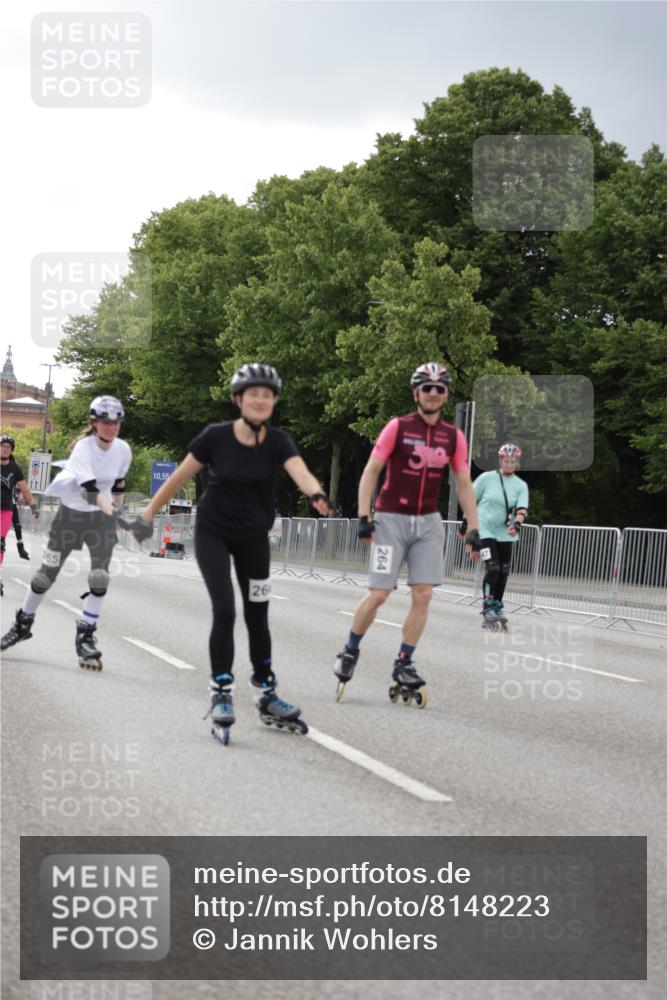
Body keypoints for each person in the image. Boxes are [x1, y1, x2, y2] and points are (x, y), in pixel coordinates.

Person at [129, 363, 333, 743]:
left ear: (273, 402)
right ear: (239, 399)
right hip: (214, 532)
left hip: (254, 536)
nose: (261, 400)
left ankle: (266, 691)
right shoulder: (216, 437)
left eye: (267, 395)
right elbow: (179, 478)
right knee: (224, 608)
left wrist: (316, 493)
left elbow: (299, 471)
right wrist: (147, 515)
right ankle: (222, 690)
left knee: (258, 613)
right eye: (254, 394)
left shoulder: (278, 441)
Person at [334, 362, 481, 704]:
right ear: (416, 393)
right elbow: (371, 471)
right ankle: (350, 650)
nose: (433, 393)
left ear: (445, 395)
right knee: (379, 594)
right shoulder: (397, 428)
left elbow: (463, 482)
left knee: (424, 594)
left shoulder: (452, 437)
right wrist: (363, 515)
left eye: (439, 388)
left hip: (427, 522)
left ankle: (404, 662)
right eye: (426, 388)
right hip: (390, 520)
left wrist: (474, 526)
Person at [1, 397, 131, 668]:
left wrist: (117, 512)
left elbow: (118, 484)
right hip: (71, 515)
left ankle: (86, 635)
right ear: (94, 423)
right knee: (44, 576)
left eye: (116, 421)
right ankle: (23, 623)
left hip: (100, 519)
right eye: (105, 421)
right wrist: (113, 511)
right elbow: (89, 490)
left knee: (99, 576)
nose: (111, 427)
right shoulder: (84, 448)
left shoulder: (123, 450)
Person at [462, 442, 529, 630]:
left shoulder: (520, 485)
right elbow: (470, 500)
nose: (509, 464)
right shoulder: (487, 478)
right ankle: (488, 607)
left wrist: (517, 523)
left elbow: (522, 508)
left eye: (512, 461)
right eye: (506, 460)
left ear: (516, 463)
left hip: (506, 533)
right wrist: (468, 532)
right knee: (493, 568)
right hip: (484, 530)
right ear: (501, 460)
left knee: (504, 570)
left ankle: (498, 605)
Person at [1, 435, 40, 595]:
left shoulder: (15, 469)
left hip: (6, 510)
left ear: (11, 450)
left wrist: (34, 508)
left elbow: (25, 490)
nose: (5, 448)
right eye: (2, 445)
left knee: (0, 543)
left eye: (8, 447)